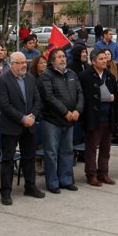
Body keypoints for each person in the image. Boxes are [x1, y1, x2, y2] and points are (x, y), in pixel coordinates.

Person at [0, 52, 45, 205]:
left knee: (29, 158)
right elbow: (4, 105)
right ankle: (6, 192)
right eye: (20, 62)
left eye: (25, 62)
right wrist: (23, 119)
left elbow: (37, 100)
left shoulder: (30, 78)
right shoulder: (2, 80)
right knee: (8, 160)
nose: (24, 65)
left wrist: (32, 117)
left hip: (29, 126)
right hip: (11, 127)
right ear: (12, 64)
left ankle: (30, 186)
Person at [36, 49, 82, 194]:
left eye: (64, 56)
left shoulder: (71, 74)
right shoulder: (46, 76)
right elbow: (49, 97)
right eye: (60, 57)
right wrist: (65, 112)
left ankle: (66, 180)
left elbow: (80, 93)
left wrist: (77, 111)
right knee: (51, 153)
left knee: (67, 151)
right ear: (52, 60)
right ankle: (53, 182)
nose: (63, 59)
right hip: (52, 120)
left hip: (69, 120)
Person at [78, 48, 118, 186]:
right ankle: (91, 174)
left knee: (106, 148)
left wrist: (117, 118)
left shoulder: (109, 76)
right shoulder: (85, 76)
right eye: (101, 59)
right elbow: (84, 97)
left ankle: (103, 173)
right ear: (94, 61)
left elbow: (116, 97)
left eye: (105, 58)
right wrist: (107, 97)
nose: (104, 61)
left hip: (108, 117)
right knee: (91, 149)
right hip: (93, 118)